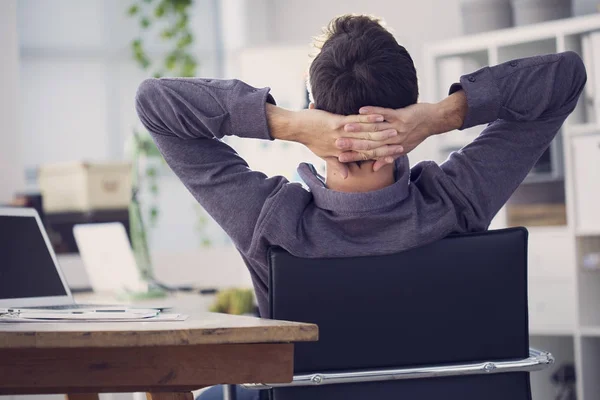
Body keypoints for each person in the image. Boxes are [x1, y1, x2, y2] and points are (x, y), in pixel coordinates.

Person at [136, 14, 586, 400]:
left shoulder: (269, 222)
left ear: (314, 112)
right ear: (409, 114)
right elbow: (565, 77)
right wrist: (441, 115)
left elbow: (156, 105)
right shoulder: (457, 202)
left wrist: (287, 124)